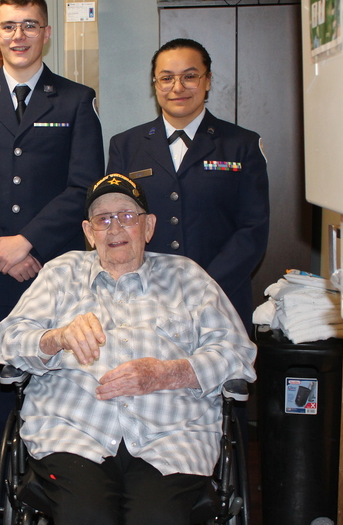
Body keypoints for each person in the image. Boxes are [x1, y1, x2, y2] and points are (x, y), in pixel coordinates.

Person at [0, 173, 257, 525]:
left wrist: (169, 372)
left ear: (148, 226)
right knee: (84, 523)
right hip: (74, 433)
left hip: (170, 435)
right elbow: (8, 341)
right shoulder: (61, 274)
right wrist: (55, 338)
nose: (115, 228)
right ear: (87, 232)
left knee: (155, 524)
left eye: (127, 216)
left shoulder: (188, 278)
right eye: (102, 219)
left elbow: (237, 353)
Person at [0, 0, 105, 525]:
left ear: (46, 34)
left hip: (55, 272)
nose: (19, 35)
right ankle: (1, 506)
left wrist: (29, 240)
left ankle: (61, 508)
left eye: (30, 25)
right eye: (9, 25)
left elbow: (85, 185)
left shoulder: (76, 100)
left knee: (60, 389)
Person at [106, 38, 269, 330]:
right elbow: (115, 223)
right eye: (166, 78)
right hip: (144, 299)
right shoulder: (125, 146)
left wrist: (203, 286)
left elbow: (252, 230)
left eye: (190, 76)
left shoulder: (241, 145)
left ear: (207, 81)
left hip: (222, 298)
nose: (177, 88)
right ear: (155, 85)